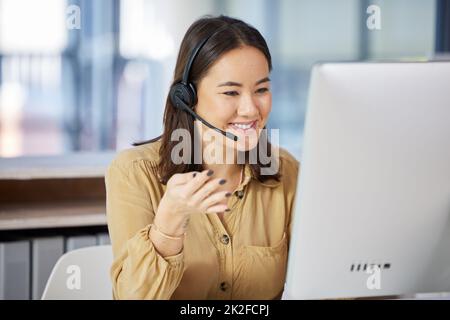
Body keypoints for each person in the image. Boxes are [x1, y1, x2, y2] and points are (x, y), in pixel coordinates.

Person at [105, 15, 300, 300]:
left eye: (261, 89)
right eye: (231, 92)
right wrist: (169, 221)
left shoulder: (287, 172)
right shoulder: (133, 173)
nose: (250, 109)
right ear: (188, 97)